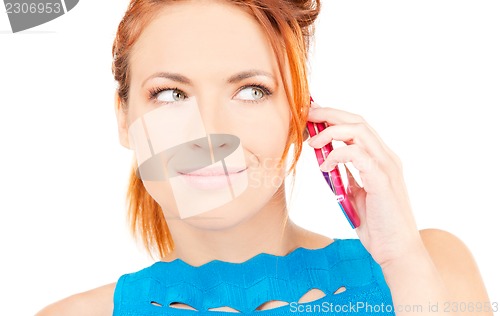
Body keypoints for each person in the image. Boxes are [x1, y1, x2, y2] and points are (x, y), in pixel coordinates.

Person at [37, 0, 493, 315]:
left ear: (301, 111)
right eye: (171, 93)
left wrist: (403, 265)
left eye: (251, 91)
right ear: (123, 117)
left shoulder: (432, 265)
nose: (211, 131)